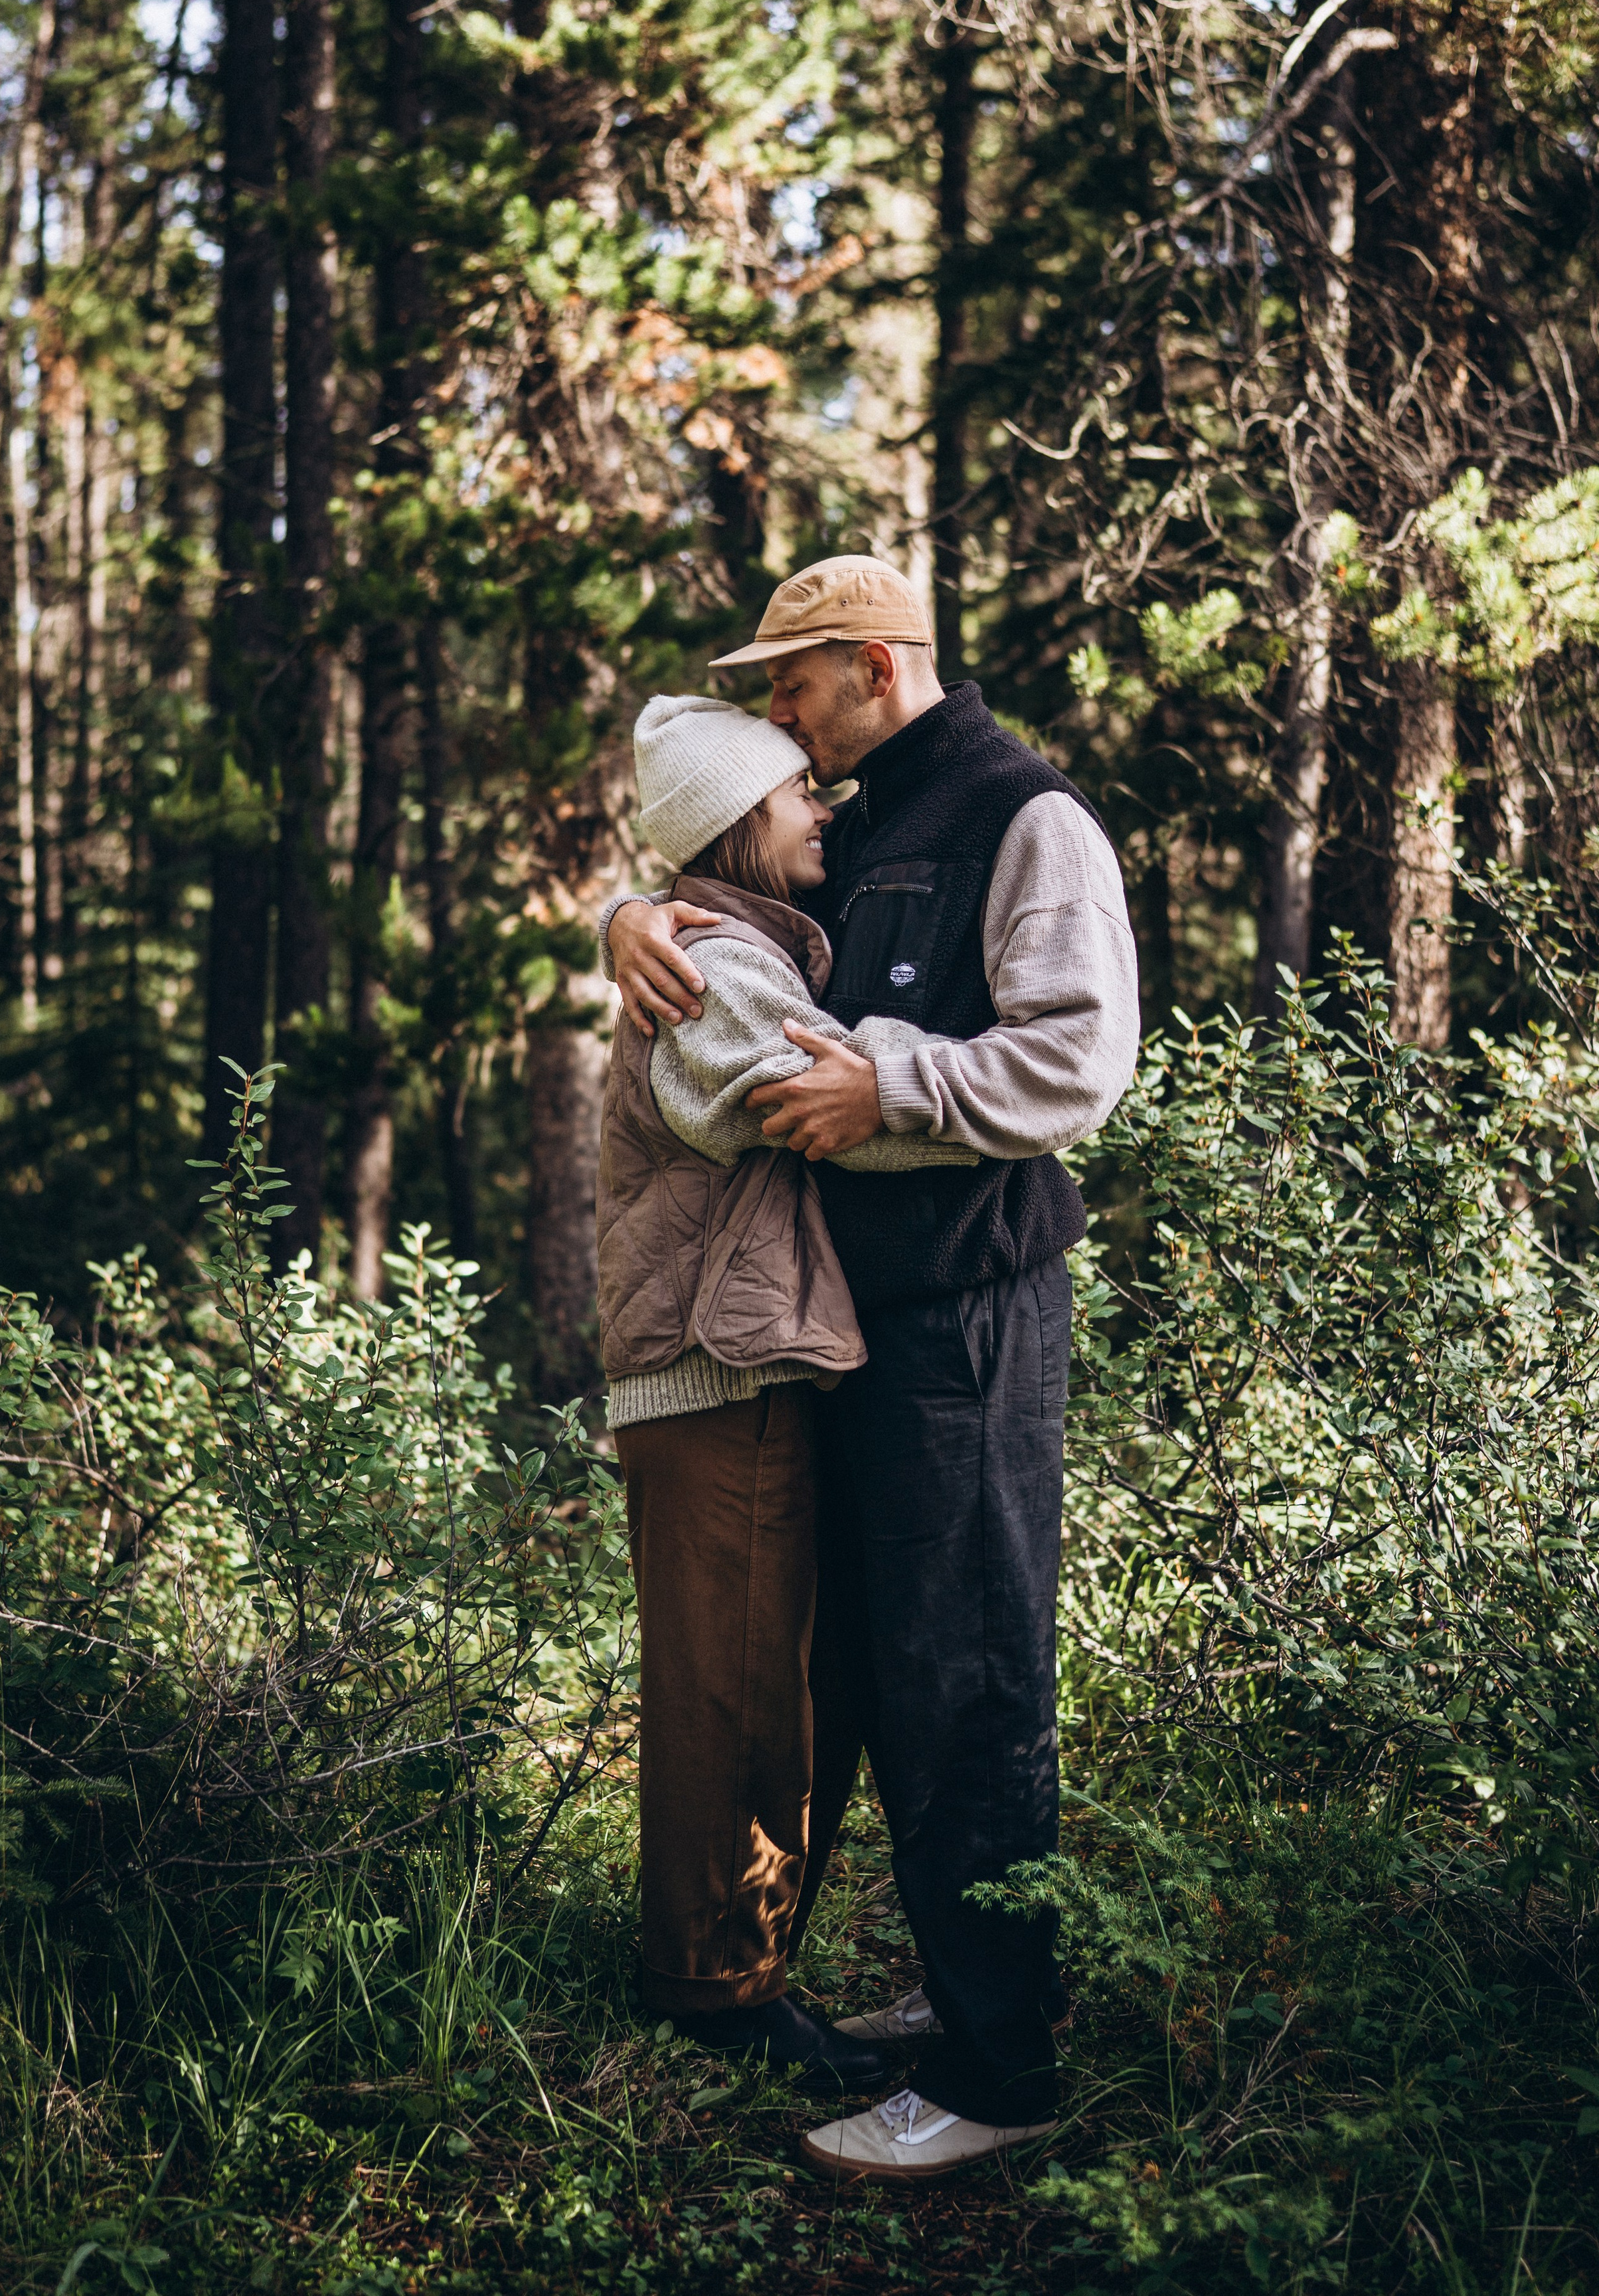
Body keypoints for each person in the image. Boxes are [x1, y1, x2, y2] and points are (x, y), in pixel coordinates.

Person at [604, 557, 1141, 2184]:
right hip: (862, 1330)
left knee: (970, 1677)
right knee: (894, 1676)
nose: (776, 712)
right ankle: (969, 1992)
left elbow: (1075, 1059)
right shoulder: (856, 823)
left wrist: (884, 1092)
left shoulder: (1017, 814)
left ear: (874, 665)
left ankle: (996, 2078)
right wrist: (629, 910)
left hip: (970, 1308)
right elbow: (740, 941)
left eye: (792, 682)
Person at [597, 691, 978, 2091]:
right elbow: (812, 1111)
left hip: (733, 1361)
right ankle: (712, 1998)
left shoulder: (724, 942)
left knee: (766, 1682)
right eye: (794, 796)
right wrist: (983, 1117)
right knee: (735, 1692)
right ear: (737, 831)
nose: (822, 808)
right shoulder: (719, 967)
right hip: (715, 1370)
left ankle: (730, 1967)